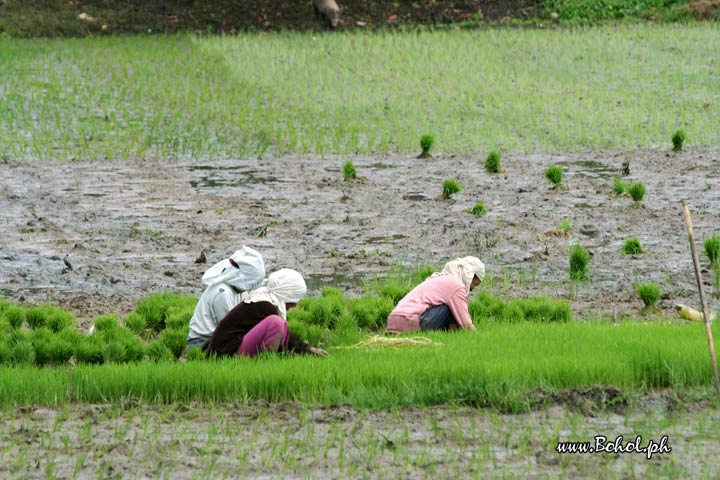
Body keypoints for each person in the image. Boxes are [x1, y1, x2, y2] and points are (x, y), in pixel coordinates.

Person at [206, 268, 328, 358]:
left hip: (229, 350)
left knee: (279, 324)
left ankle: (268, 360)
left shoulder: (264, 300)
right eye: (295, 299)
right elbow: (281, 333)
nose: (295, 305)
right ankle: (266, 361)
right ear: (287, 295)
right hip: (225, 355)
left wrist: (308, 349)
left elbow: (286, 335)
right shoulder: (264, 306)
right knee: (276, 323)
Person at [187, 246, 266, 349]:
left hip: (217, 337)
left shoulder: (236, 289)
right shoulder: (222, 293)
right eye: (249, 284)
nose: (249, 288)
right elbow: (230, 326)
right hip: (203, 342)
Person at [386, 256, 485, 333]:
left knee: (451, 306)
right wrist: (478, 337)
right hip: (410, 320)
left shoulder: (437, 278)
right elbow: (466, 324)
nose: (472, 289)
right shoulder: (456, 285)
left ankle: (451, 337)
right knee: (452, 308)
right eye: (474, 285)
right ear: (470, 275)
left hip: (393, 320)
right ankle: (452, 335)